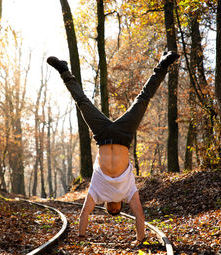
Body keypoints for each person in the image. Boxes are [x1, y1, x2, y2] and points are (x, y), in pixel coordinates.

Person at [47, 51, 179, 242]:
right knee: (142, 99)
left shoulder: (98, 192)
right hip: (124, 135)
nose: (114, 208)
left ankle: (64, 71)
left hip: (102, 135)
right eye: (117, 209)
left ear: (107, 205)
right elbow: (140, 216)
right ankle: (163, 65)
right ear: (120, 206)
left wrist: (82, 237)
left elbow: (85, 213)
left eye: (112, 209)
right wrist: (140, 239)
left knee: (82, 102)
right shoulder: (129, 192)